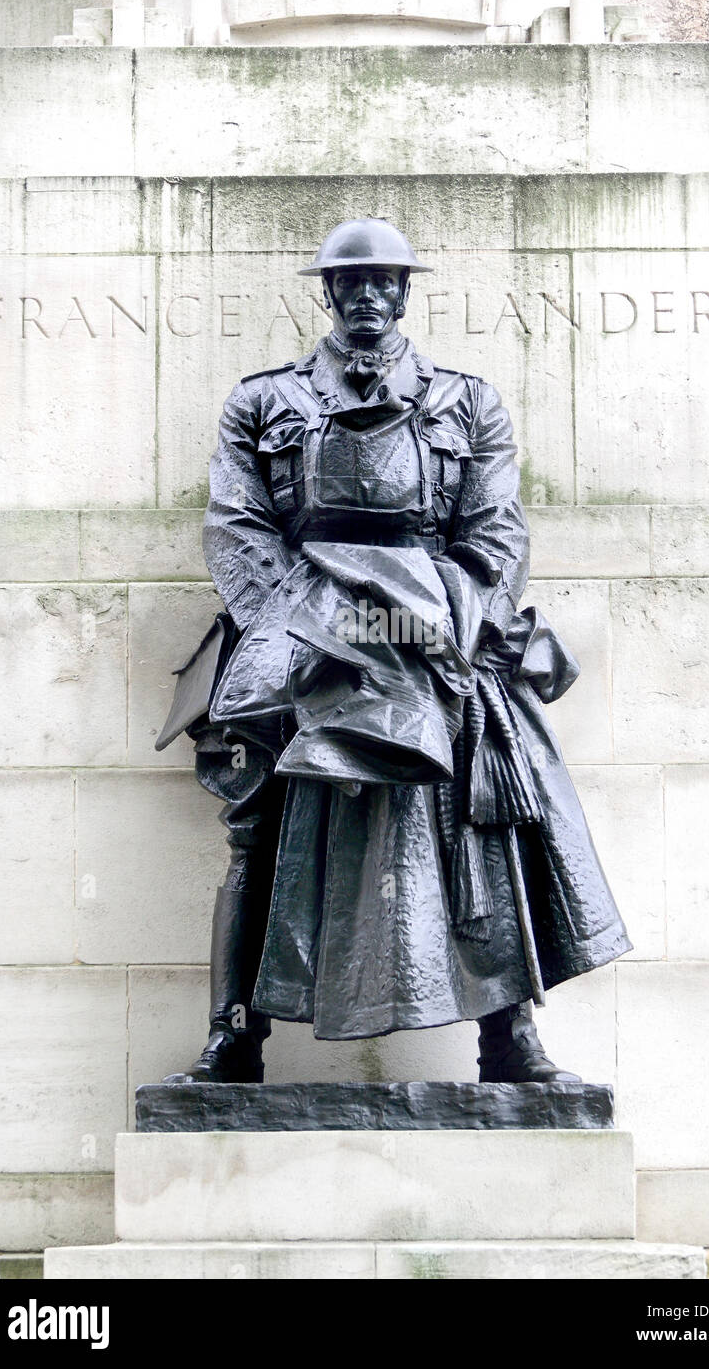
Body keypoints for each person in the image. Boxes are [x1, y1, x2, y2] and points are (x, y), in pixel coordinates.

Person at [157, 218, 631, 1085]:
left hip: (433, 629)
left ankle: (508, 1035)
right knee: (256, 829)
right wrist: (313, 631)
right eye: (351, 282)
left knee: (487, 811)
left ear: (406, 292)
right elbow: (238, 529)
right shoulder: (263, 400)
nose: (368, 295)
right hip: (296, 632)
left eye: (385, 282)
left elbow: (493, 533)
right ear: (327, 293)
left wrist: (442, 622)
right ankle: (234, 1036)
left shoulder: (466, 401)